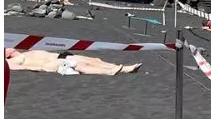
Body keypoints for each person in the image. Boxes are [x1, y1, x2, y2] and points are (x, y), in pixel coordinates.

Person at [5, 49, 142, 76]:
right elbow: (27, 67)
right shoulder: (9, 64)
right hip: (48, 64)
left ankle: (124, 68)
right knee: (83, 67)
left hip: (58, 55)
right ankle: (109, 71)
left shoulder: (11, 54)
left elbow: (11, 50)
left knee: (94, 60)